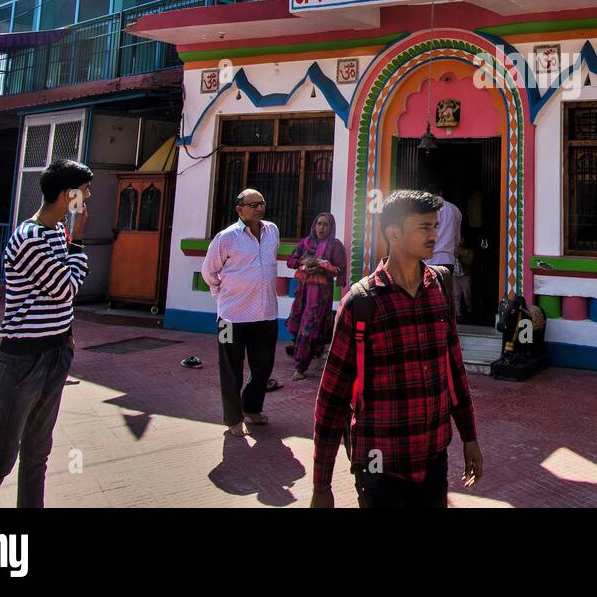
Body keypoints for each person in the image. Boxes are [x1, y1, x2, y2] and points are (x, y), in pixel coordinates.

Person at [311, 189, 482, 508]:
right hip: (379, 462)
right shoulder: (361, 303)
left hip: (433, 457)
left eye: (435, 226)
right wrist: (321, 485)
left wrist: (469, 437)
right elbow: (332, 399)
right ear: (393, 233)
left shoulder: (440, 289)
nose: (434, 235)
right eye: (424, 228)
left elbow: (455, 371)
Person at [0, 159, 93, 508]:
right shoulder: (30, 237)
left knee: (38, 453)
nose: (88, 196)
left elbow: (59, 294)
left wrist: (65, 333)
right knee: (0, 459)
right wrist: (79, 241)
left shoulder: (55, 234)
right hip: (23, 360)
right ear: (69, 196)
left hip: (55, 352)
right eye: (84, 190)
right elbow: (65, 287)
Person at [203, 189, 281, 436]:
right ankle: (233, 419)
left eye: (262, 203)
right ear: (239, 209)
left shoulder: (273, 231)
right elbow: (208, 272)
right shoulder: (226, 238)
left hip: (265, 314)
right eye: (253, 204)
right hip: (230, 317)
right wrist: (223, 295)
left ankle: (251, 407)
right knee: (230, 368)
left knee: (263, 367)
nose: (259, 208)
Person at [286, 211, 348, 380]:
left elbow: (340, 269)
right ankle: (316, 351)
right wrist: (303, 262)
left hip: (320, 295)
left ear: (331, 227)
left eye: (325, 224)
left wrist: (325, 266)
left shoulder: (335, 245)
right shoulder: (306, 243)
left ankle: (301, 366)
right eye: (319, 224)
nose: (321, 227)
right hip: (302, 293)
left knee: (309, 326)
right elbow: (291, 261)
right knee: (296, 323)